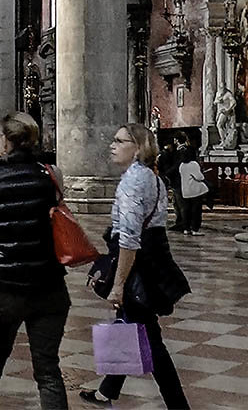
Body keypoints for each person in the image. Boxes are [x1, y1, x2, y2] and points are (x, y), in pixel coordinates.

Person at [80, 123, 189, 409]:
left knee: (150, 340)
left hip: (138, 264)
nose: (112, 146)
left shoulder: (132, 182)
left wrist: (117, 285)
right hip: (153, 258)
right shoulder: (152, 177)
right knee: (127, 324)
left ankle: (179, 405)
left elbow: (129, 239)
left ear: (137, 148)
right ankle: (107, 391)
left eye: (120, 141)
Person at [0, 113, 70, 410]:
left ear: (5, 142)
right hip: (49, 287)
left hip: (4, 291)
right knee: (49, 371)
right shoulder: (52, 174)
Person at [178, 146, 208, 236]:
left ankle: (186, 228)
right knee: (196, 211)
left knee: (186, 210)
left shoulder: (182, 165)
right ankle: (195, 229)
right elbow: (199, 177)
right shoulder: (193, 164)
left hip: (186, 190)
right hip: (195, 191)